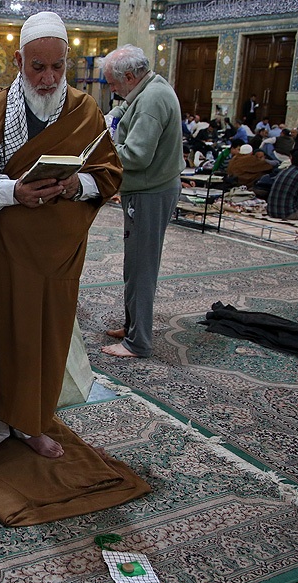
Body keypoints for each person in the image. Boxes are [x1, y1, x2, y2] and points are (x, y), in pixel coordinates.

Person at [0, 11, 122, 465]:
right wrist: (12, 191)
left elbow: (108, 173)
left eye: (57, 66)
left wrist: (75, 185)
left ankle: (31, 423)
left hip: (55, 256)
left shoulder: (85, 111)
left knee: (41, 343)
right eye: (38, 67)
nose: (49, 78)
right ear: (18, 61)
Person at [100, 44, 185, 359]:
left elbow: (136, 155)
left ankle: (138, 342)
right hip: (149, 189)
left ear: (130, 77)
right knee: (134, 264)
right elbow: (122, 112)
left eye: (113, 83)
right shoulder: (149, 88)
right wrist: (108, 122)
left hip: (151, 193)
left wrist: (100, 150)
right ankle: (132, 326)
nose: (112, 89)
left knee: (141, 267)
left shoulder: (151, 100)